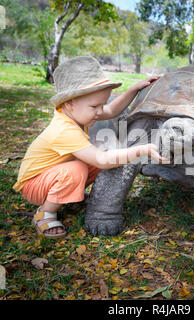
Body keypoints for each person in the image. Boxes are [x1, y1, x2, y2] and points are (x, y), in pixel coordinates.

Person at [13, 56, 167, 238]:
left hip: (50, 176)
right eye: (95, 106)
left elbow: (111, 111)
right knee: (80, 167)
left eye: (102, 104)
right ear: (69, 103)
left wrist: (134, 89)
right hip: (33, 184)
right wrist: (141, 150)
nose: (101, 111)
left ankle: (65, 195)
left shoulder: (77, 113)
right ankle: (45, 213)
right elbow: (102, 160)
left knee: (90, 162)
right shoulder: (63, 129)